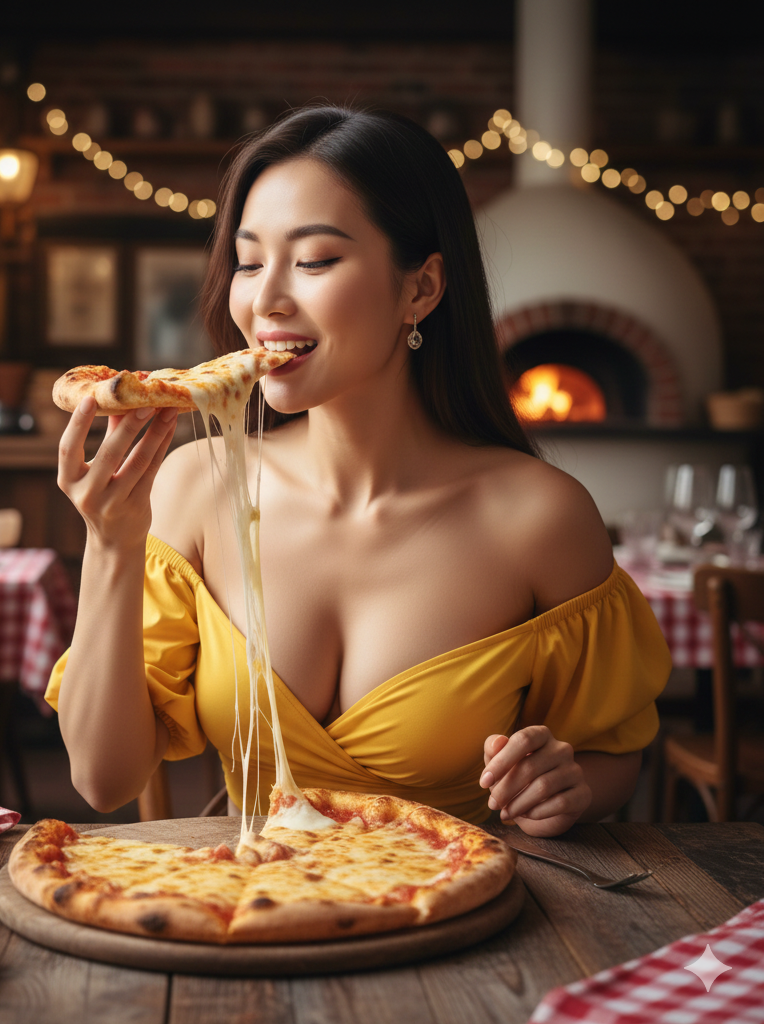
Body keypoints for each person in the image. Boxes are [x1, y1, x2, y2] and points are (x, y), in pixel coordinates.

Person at [47, 106, 671, 838]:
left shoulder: (541, 516)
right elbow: (102, 777)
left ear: (421, 290)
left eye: (313, 260)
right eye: (249, 262)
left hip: (463, 917)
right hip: (252, 909)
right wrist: (110, 544)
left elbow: (611, 758)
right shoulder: (195, 483)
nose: (265, 299)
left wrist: (566, 784)